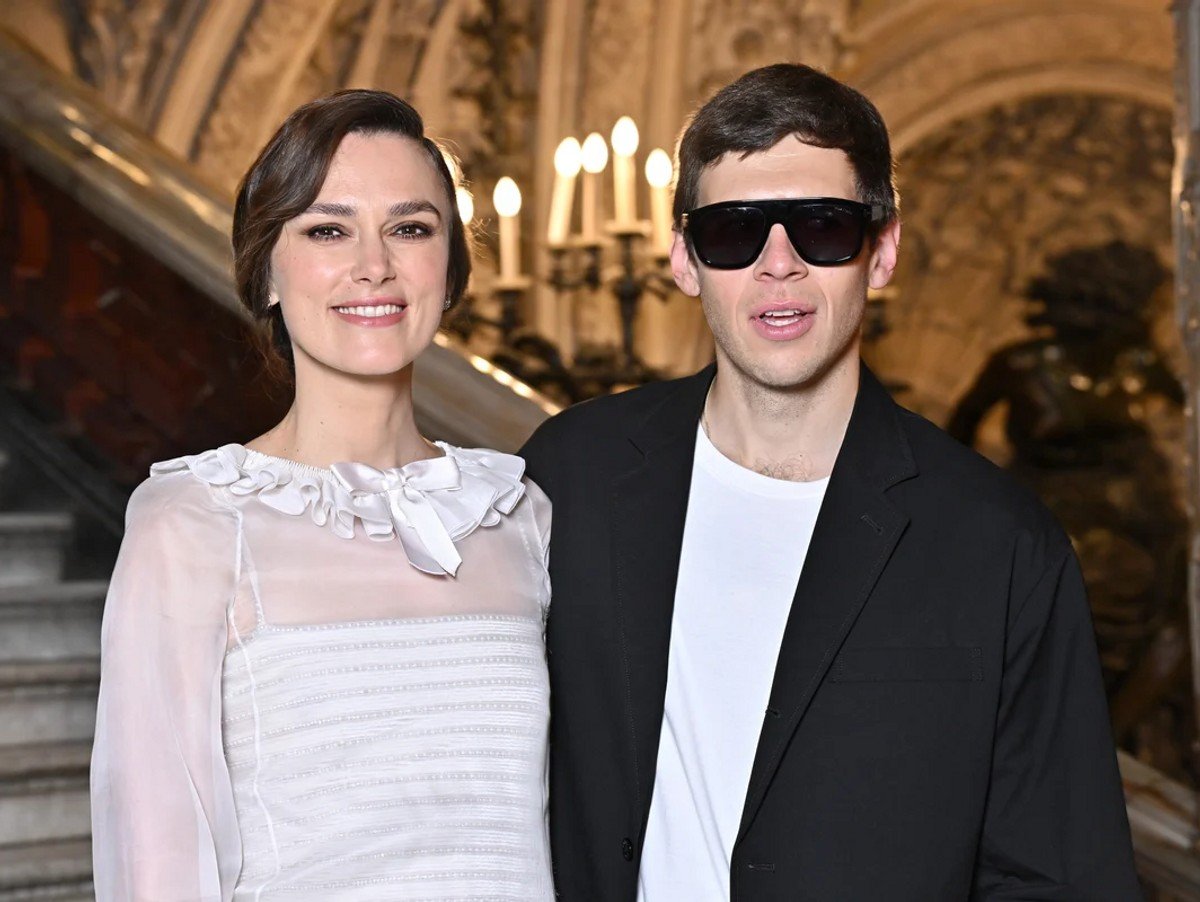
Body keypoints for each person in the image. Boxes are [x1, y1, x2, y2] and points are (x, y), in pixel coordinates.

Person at [521, 63, 1140, 901]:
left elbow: (1062, 875)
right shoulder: (573, 474)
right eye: (735, 233)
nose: (779, 265)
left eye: (822, 228)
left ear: (880, 252)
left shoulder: (999, 543)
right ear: (683, 260)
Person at [90, 90, 553, 900]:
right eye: (327, 229)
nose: (374, 265)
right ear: (266, 271)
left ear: (449, 273)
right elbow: (155, 857)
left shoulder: (522, 517)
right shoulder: (195, 521)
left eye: (410, 229)